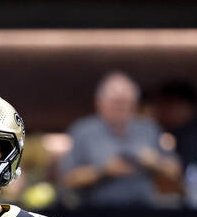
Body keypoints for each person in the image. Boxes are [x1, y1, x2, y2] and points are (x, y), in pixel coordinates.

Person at [60, 72, 180, 206]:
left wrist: (154, 162)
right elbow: (68, 178)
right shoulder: (83, 131)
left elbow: (175, 171)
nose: (121, 108)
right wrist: (103, 171)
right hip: (95, 214)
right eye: (116, 103)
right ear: (99, 102)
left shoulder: (149, 129)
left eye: (126, 103)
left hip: (144, 211)